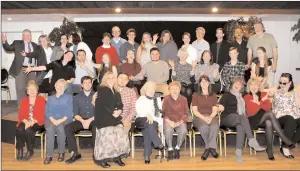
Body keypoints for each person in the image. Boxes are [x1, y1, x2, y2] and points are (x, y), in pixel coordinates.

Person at [244, 78, 295, 160]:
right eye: (251, 85)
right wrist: (261, 102)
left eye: (256, 85)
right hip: (253, 120)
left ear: (259, 87)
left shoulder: (264, 94)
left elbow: (267, 108)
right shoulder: (247, 96)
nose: (253, 87)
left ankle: (270, 150)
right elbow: (251, 111)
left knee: (269, 122)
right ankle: (284, 138)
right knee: (270, 114)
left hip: (264, 118)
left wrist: (258, 103)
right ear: (249, 87)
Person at [219, 77, 265, 163]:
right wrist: (220, 107)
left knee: (241, 126)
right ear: (232, 85)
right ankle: (251, 140)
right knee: (243, 117)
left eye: (239, 84)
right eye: (235, 83)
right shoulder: (227, 95)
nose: (237, 85)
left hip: (239, 119)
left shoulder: (243, 96)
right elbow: (220, 105)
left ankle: (238, 152)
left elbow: (259, 91)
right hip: (227, 118)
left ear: (241, 87)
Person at [93, 72, 130, 168]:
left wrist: (120, 111)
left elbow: (120, 104)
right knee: (106, 140)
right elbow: (105, 104)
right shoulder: (102, 89)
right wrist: (114, 112)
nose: (110, 79)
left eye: (113, 77)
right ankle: (102, 159)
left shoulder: (116, 90)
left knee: (117, 138)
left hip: (114, 116)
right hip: (104, 117)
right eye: (108, 77)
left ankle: (116, 157)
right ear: (104, 79)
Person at [266, 73, 300, 158]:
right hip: (280, 117)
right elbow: (265, 91)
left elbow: (298, 105)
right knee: (290, 119)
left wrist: (296, 95)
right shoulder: (276, 91)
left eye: (284, 82)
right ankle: (285, 148)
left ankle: (286, 144)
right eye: (280, 82)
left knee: (292, 120)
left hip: (294, 115)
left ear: (290, 83)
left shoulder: (294, 92)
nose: (281, 84)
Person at [65, 76, 96, 164]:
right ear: (81, 85)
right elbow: (75, 114)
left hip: (93, 119)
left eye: (89, 82)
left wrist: (89, 121)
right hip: (80, 119)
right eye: (85, 83)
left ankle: (96, 153)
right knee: (68, 128)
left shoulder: (97, 95)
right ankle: (75, 153)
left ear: (92, 83)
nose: (87, 84)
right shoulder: (76, 97)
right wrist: (82, 121)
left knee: (96, 128)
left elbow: (99, 112)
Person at [2, 29, 38, 105]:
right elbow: (8, 48)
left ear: (31, 36)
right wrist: (4, 42)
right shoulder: (17, 43)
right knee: (20, 89)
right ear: (23, 36)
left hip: (31, 69)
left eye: (29, 35)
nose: (28, 37)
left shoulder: (35, 45)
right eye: (26, 35)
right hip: (21, 69)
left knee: (32, 88)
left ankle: (32, 106)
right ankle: (22, 107)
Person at [192, 75, 224, 160]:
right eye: (202, 81)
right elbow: (195, 111)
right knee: (204, 126)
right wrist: (204, 118)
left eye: (206, 81)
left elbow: (215, 110)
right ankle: (211, 149)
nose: (204, 83)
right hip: (199, 117)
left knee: (214, 126)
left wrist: (210, 117)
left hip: (211, 116)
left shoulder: (213, 95)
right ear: (199, 84)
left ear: (209, 83)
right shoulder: (195, 95)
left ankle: (208, 149)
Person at [44, 79, 73, 164]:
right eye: (58, 85)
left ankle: (61, 152)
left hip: (65, 119)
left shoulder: (69, 97)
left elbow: (69, 111)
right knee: (50, 129)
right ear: (55, 86)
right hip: (51, 119)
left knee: (61, 128)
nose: (59, 87)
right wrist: (53, 120)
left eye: (62, 86)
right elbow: (47, 112)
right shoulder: (50, 98)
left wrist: (60, 120)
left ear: (65, 88)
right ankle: (49, 155)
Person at [135, 81, 165, 164]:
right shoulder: (141, 99)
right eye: (150, 88)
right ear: (145, 89)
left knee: (148, 130)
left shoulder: (157, 99)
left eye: (153, 88)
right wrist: (147, 115)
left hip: (153, 122)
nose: (152, 90)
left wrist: (160, 124)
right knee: (149, 124)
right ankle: (158, 143)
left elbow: (159, 114)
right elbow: (138, 111)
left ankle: (147, 155)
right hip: (141, 120)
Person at [15, 80, 45, 161]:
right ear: (27, 92)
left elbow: (42, 115)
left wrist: (32, 122)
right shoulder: (24, 100)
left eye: (34, 89)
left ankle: (30, 150)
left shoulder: (41, 99)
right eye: (30, 89)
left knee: (29, 130)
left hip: (38, 122)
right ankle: (20, 149)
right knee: (19, 129)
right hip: (26, 121)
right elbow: (21, 115)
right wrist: (26, 122)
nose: (32, 91)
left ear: (37, 90)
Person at [163, 81, 189, 160]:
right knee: (168, 130)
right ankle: (170, 148)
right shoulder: (166, 99)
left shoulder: (184, 99)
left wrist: (179, 122)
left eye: (176, 89)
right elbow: (163, 112)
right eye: (172, 89)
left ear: (179, 90)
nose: (174, 91)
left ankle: (177, 148)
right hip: (169, 120)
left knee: (184, 130)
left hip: (180, 120)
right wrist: (169, 122)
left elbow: (186, 113)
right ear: (169, 90)